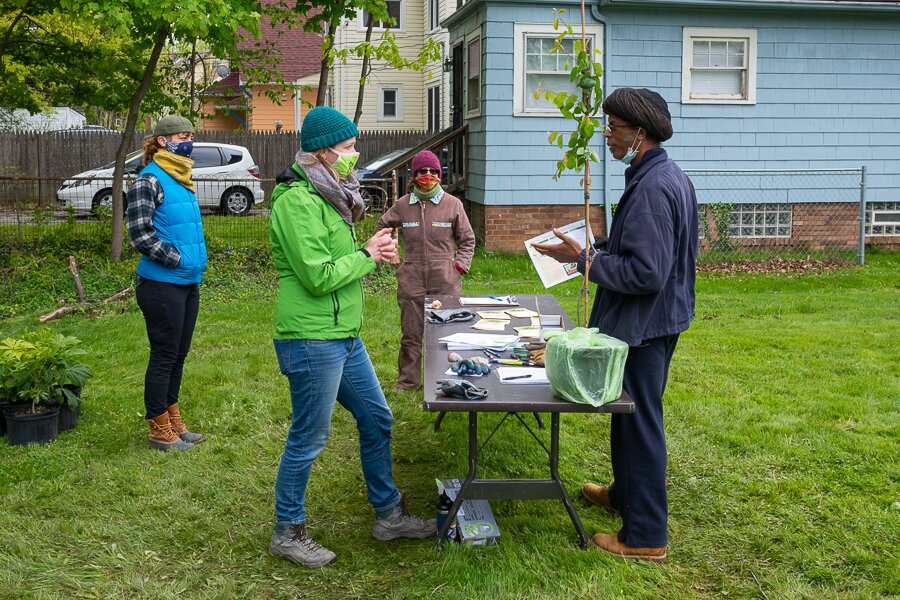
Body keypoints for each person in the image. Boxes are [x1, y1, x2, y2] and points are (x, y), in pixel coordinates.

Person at [533, 88, 698, 563]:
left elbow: (647, 273)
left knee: (640, 421)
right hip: (657, 319)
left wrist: (585, 259)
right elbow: (646, 247)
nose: (607, 134)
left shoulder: (651, 188)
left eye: (614, 127)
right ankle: (625, 494)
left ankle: (645, 534)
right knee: (628, 415)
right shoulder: (663, 174)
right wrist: (596, 245)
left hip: (646, 324)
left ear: (639, 132)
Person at [268, 106, 436, 569]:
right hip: (310, 338)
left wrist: (372, 250)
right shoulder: (295, 201)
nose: (354, 155)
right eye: (346, 148)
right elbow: (319, 277)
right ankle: (287, 531)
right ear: (322, 152)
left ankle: (389, 515)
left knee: (377, 419)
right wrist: (366, 253)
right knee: (309, 435)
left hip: (344, 334)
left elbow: (341, 259)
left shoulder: (329, 195)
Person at [126, 115, 206, 452]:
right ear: (162, 141)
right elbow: (140, 234)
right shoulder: (149, 179)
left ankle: (173, 418)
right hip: (161, 284)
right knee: (164, 355)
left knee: (178, 355)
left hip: (187, 282)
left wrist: (191, 264)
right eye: (182, 135)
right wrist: (178, 260)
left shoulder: (182, 178)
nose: (188, 140)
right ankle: (158, 428)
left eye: (190, 134)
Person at [377, 150, 475, 391]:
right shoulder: (403, 205)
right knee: (411, 334)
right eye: (423, 171)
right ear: (415, 175)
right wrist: (392, 253)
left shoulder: (453, 204)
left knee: (445, 335)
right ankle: (408, 382)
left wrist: (458, 266)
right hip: (411, 278)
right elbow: (382, 227)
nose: (428, 175)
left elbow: (468, 239)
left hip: (444, 278)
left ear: (439, 175)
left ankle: (445, 381)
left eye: (433, 171)